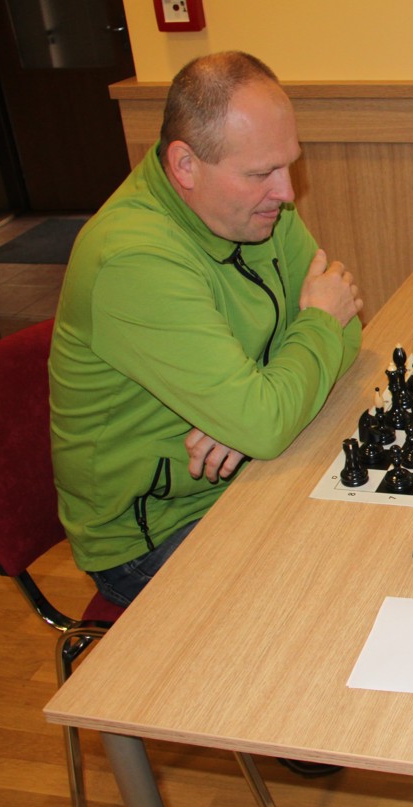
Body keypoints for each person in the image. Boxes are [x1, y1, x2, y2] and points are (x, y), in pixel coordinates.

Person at [50, 51, 363, 610]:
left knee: (378, 540)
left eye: (288, 164)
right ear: (185, 165)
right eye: (261, 173)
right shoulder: (131, 260)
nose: (286, 192)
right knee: (335, 595)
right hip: (156, 536)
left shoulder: (257, 209)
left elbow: (349, 329)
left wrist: (250, 408)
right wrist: (261, 405)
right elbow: (321, 331)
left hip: (248, 474)